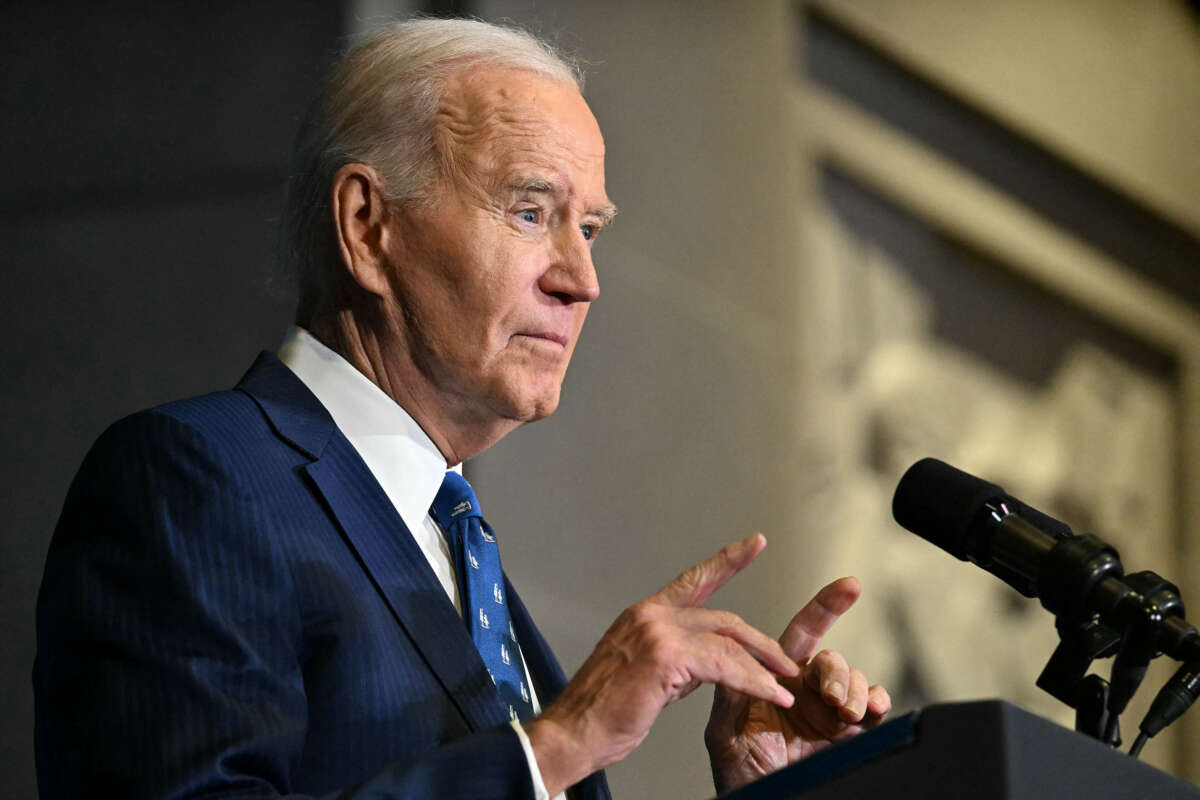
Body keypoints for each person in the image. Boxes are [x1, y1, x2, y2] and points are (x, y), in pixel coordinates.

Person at [34, 18, 889, 799]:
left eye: (588, 229)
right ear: (369, 226)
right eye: (529, 212)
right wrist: (555, 747)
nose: (581, 281)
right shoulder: (195, 479)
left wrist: (761, 793)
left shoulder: (461, 558)